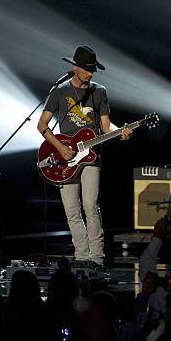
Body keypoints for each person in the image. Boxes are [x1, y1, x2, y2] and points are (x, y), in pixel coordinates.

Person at [37, 45, 132, 265]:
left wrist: (121, 132)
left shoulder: (99, 92)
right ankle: (81, 257)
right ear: (76, 67)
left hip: (91, 155)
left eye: (93, 70)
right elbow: (42, 125)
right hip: (65, 157)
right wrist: (60, 148)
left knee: (90, 204)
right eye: (88, 69)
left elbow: (106, 127)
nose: (91, 73)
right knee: (71, 209)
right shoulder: (59, 92)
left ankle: (97, 258)